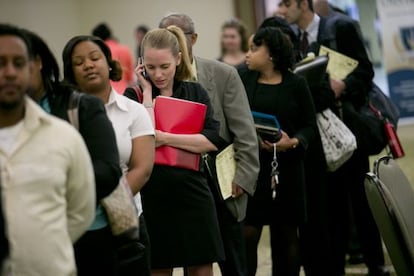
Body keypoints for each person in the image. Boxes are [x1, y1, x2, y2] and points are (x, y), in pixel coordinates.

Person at [277, 1, 390, 275]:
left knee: (361, 199)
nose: (282, 8)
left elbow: (365, 71)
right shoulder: (290, 38)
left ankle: (376, 264)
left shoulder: (341, 27)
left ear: (304, 4)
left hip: (347, 128)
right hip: (315, 134)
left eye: (287, 3)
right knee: (332, 203)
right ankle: (336, 265)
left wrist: (344, 86)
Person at [157, 13, 260, 276]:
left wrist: (244, 176)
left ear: (193, 38)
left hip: (221, 182)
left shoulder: (222, 74)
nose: (175, 42)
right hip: (175, 183)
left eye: (180, 36)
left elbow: (244, 132)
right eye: (167, 36)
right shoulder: (154, 81)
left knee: (233, 261)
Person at [23, 29, 124, 275]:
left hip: (86, 231)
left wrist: (54, 188)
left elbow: (109, 170)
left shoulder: (79, 105)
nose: (9, 73)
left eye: (18, 62)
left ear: (38, 63)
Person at [0, 23, 95, 275]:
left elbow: (80, 212)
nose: (9, 72)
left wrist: (42, 243)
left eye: (18, 63)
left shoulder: (62, 137)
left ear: (32, 67)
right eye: (0, 63)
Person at [132, 25, 225, 276]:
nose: (158, 74)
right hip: (153, 196)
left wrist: (166, 137)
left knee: (201, 267)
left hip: (193, 192)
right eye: (150, 67)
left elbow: (213, 140)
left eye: (165, 66)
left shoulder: (194, 92)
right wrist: (148, 96)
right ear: (141, 64)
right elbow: (146, 140)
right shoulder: (135, 96)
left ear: (178, 59)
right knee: (159, 268)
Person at [62, 34, 155, 275]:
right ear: (71, 72)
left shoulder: (132, 111)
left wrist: (110, 206)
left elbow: (142, 169)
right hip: (76, 223)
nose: (88, 65)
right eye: (79, 62)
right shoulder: (62, 115)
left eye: (95, 58)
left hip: (125, 222)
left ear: (109, 63)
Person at [238, 26, 317, 276]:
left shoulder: (296, 83)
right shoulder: (243, 79)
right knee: (247, 233)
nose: (247, 54)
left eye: (253, 49)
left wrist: (292, 142)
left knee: (287, 237)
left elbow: (309, 126)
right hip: (253, 167)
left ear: (270, 53)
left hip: (288, 169)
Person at [92, 23, 134, 94]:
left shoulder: (100, 50)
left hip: (107, 92)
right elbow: (130, 77)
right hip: (125, 92)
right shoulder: (125, 49)